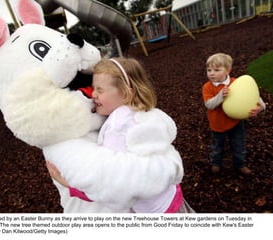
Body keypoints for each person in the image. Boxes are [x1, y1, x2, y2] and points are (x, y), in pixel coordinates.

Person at [47, 57, 194, 213]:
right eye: (93, 88)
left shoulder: (117, 127)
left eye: (100, 90)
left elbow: (112, 183)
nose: (93, 95)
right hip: (172, 197)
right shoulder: (143, 113)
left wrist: (69, 184)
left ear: (125, 94)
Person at [202, 53, 266, 175]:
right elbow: (209, 105)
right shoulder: (207, 87)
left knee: (238, 145)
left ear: (228, 70)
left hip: (235, 122)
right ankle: (216, 163)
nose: (211, 73)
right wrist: (221, 95)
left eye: (217, 70)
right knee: (217, 147)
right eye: (209, 70)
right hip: (217, 124)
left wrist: (261, 107)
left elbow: (253, 96)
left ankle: (240, 164)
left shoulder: (236, 83)